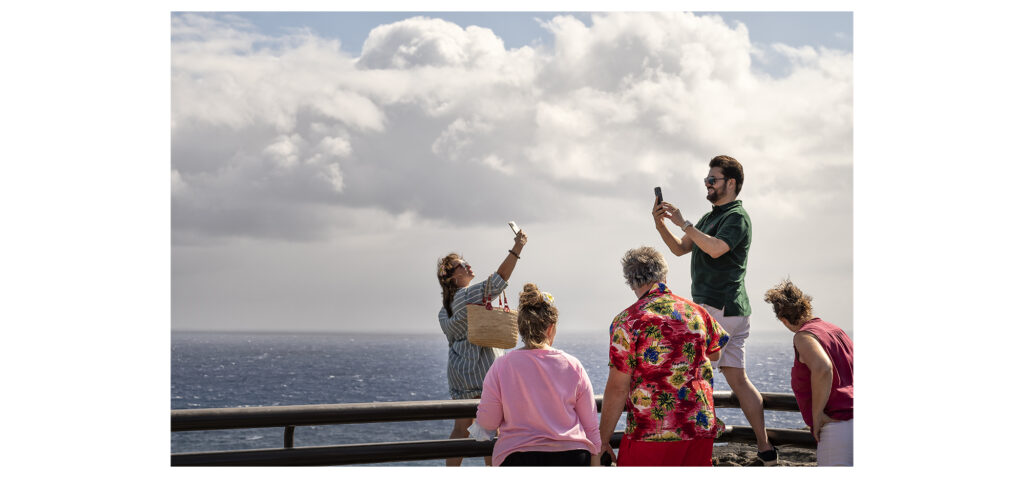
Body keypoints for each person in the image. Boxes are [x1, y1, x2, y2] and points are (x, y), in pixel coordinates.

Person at [652, 154, 778, 465]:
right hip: (732, 310)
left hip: (717, 308)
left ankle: (699, 453)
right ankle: (766, 449)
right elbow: (681, 249)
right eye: (706, 180)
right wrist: (660, 224)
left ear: (731, 183)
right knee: (737, 378)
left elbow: (716, 248)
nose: (707, 185)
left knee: (694, 376)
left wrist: (683, 222)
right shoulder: (711, 217)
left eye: (713, 180)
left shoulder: (736, 216)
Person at [599, 246, 729, 466]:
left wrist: (602, 440)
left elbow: (618, 387)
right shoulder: (696, 312)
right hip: (699, 424)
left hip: (652, 430)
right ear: (664, 275)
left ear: (630, 281)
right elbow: (715, 353)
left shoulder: (628, 321)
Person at [472, 283, 602, 466]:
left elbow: (488, 421)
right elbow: (590, 424)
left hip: (518, 457)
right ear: (551, 328)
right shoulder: (573, 365)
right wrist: (595, 454)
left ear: (521, 328)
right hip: (572, 457)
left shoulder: (501, 366)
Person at [436, 230, 527, 466]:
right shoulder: (467, 295)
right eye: (460, 265)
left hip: (460, 373)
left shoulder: (446, 307)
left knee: (460, 429)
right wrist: (517, 248)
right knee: (493, 428)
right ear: (452, 278)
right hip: (482, 373)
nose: (467, 265)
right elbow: (498, 281)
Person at [763, 279, 853, 466]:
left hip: (837, 426)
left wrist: (817, 415)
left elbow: (823, 368)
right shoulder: (836, 330)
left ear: (784, 320)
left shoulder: (804, 336)